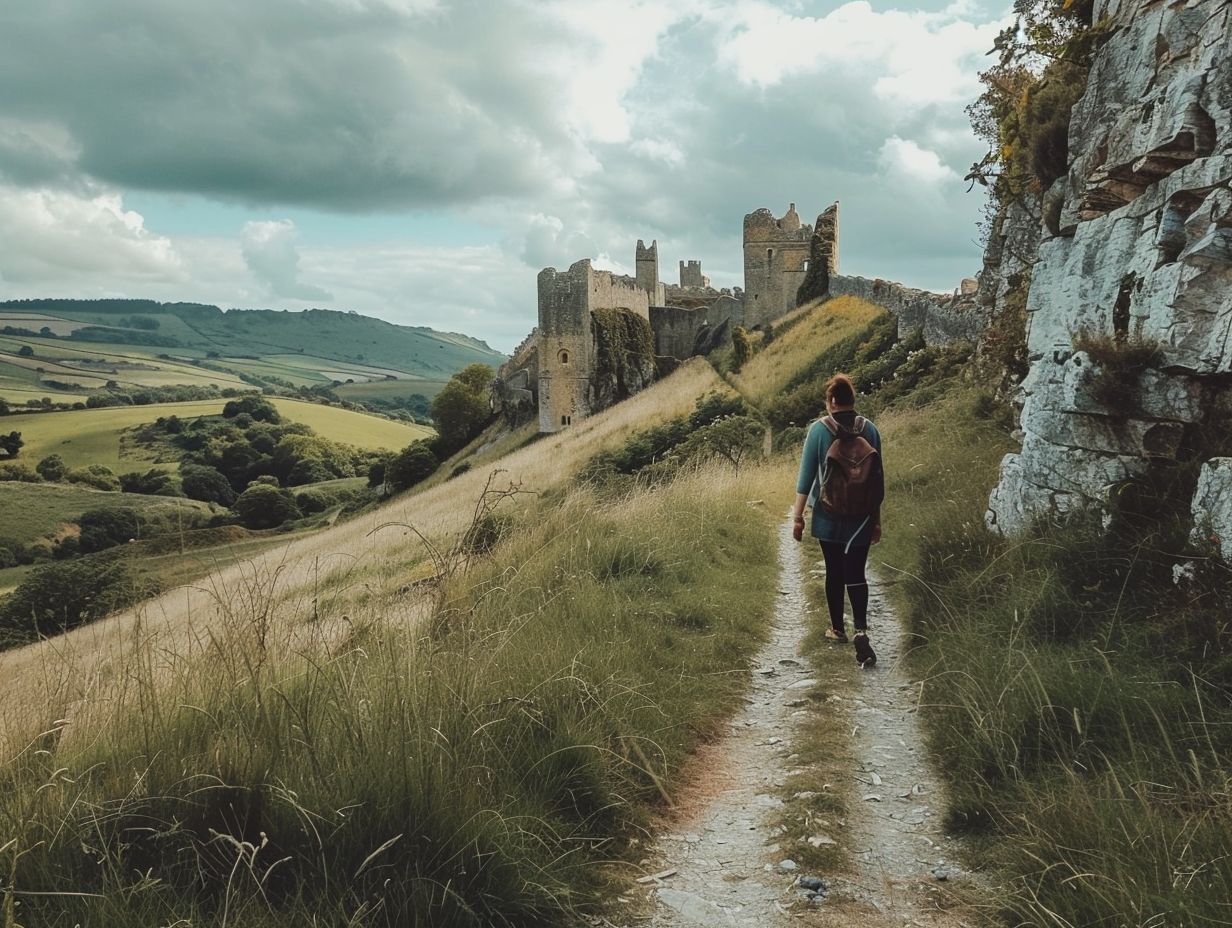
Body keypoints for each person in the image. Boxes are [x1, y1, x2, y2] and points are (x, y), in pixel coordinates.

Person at [791, 373, 882, 667]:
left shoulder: (818, 431)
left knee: (834, 572)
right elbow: (877, 482)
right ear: (852, 400)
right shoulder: (871, 430)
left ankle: (837, 630)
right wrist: (876, 520)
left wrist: (797, 518)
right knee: (856, 572)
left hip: (828, 514)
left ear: (831, 401)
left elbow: (805, 479)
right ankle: (861, 628)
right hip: (862, 517)